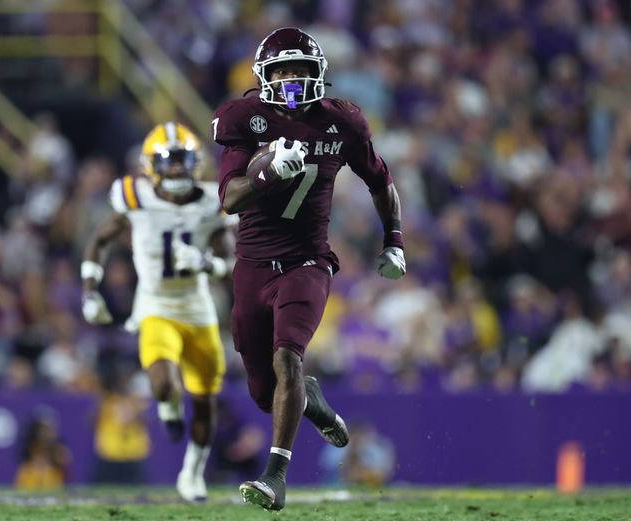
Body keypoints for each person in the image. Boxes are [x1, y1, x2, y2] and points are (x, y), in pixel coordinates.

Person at [212, 27, 407, 511]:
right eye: (284, 71)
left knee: (288, 358)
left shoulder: (341, 122)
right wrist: (267, 171)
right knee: (265, 392)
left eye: (302, 69)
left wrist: (395, 240)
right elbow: (229, 198)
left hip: (307, 261)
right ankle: (312, 400)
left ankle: (276, 477)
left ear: (319, 74)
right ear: (265, 77)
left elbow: (381, 182)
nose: (294, 79)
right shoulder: (245, 118)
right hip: (253, 266)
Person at [81, 122, 236, 502]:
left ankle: (192, 472)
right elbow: (99, 239)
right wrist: (90, 291)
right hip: (155, 306)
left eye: (183, 160)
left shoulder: (210, 201)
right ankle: (167, 403)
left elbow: (230, 261)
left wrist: (203, 262)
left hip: (197, 308)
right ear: (151, 165)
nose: (178, 169)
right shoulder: (134, 196)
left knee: (203, 399)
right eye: (170, 161)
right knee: (164, 381)